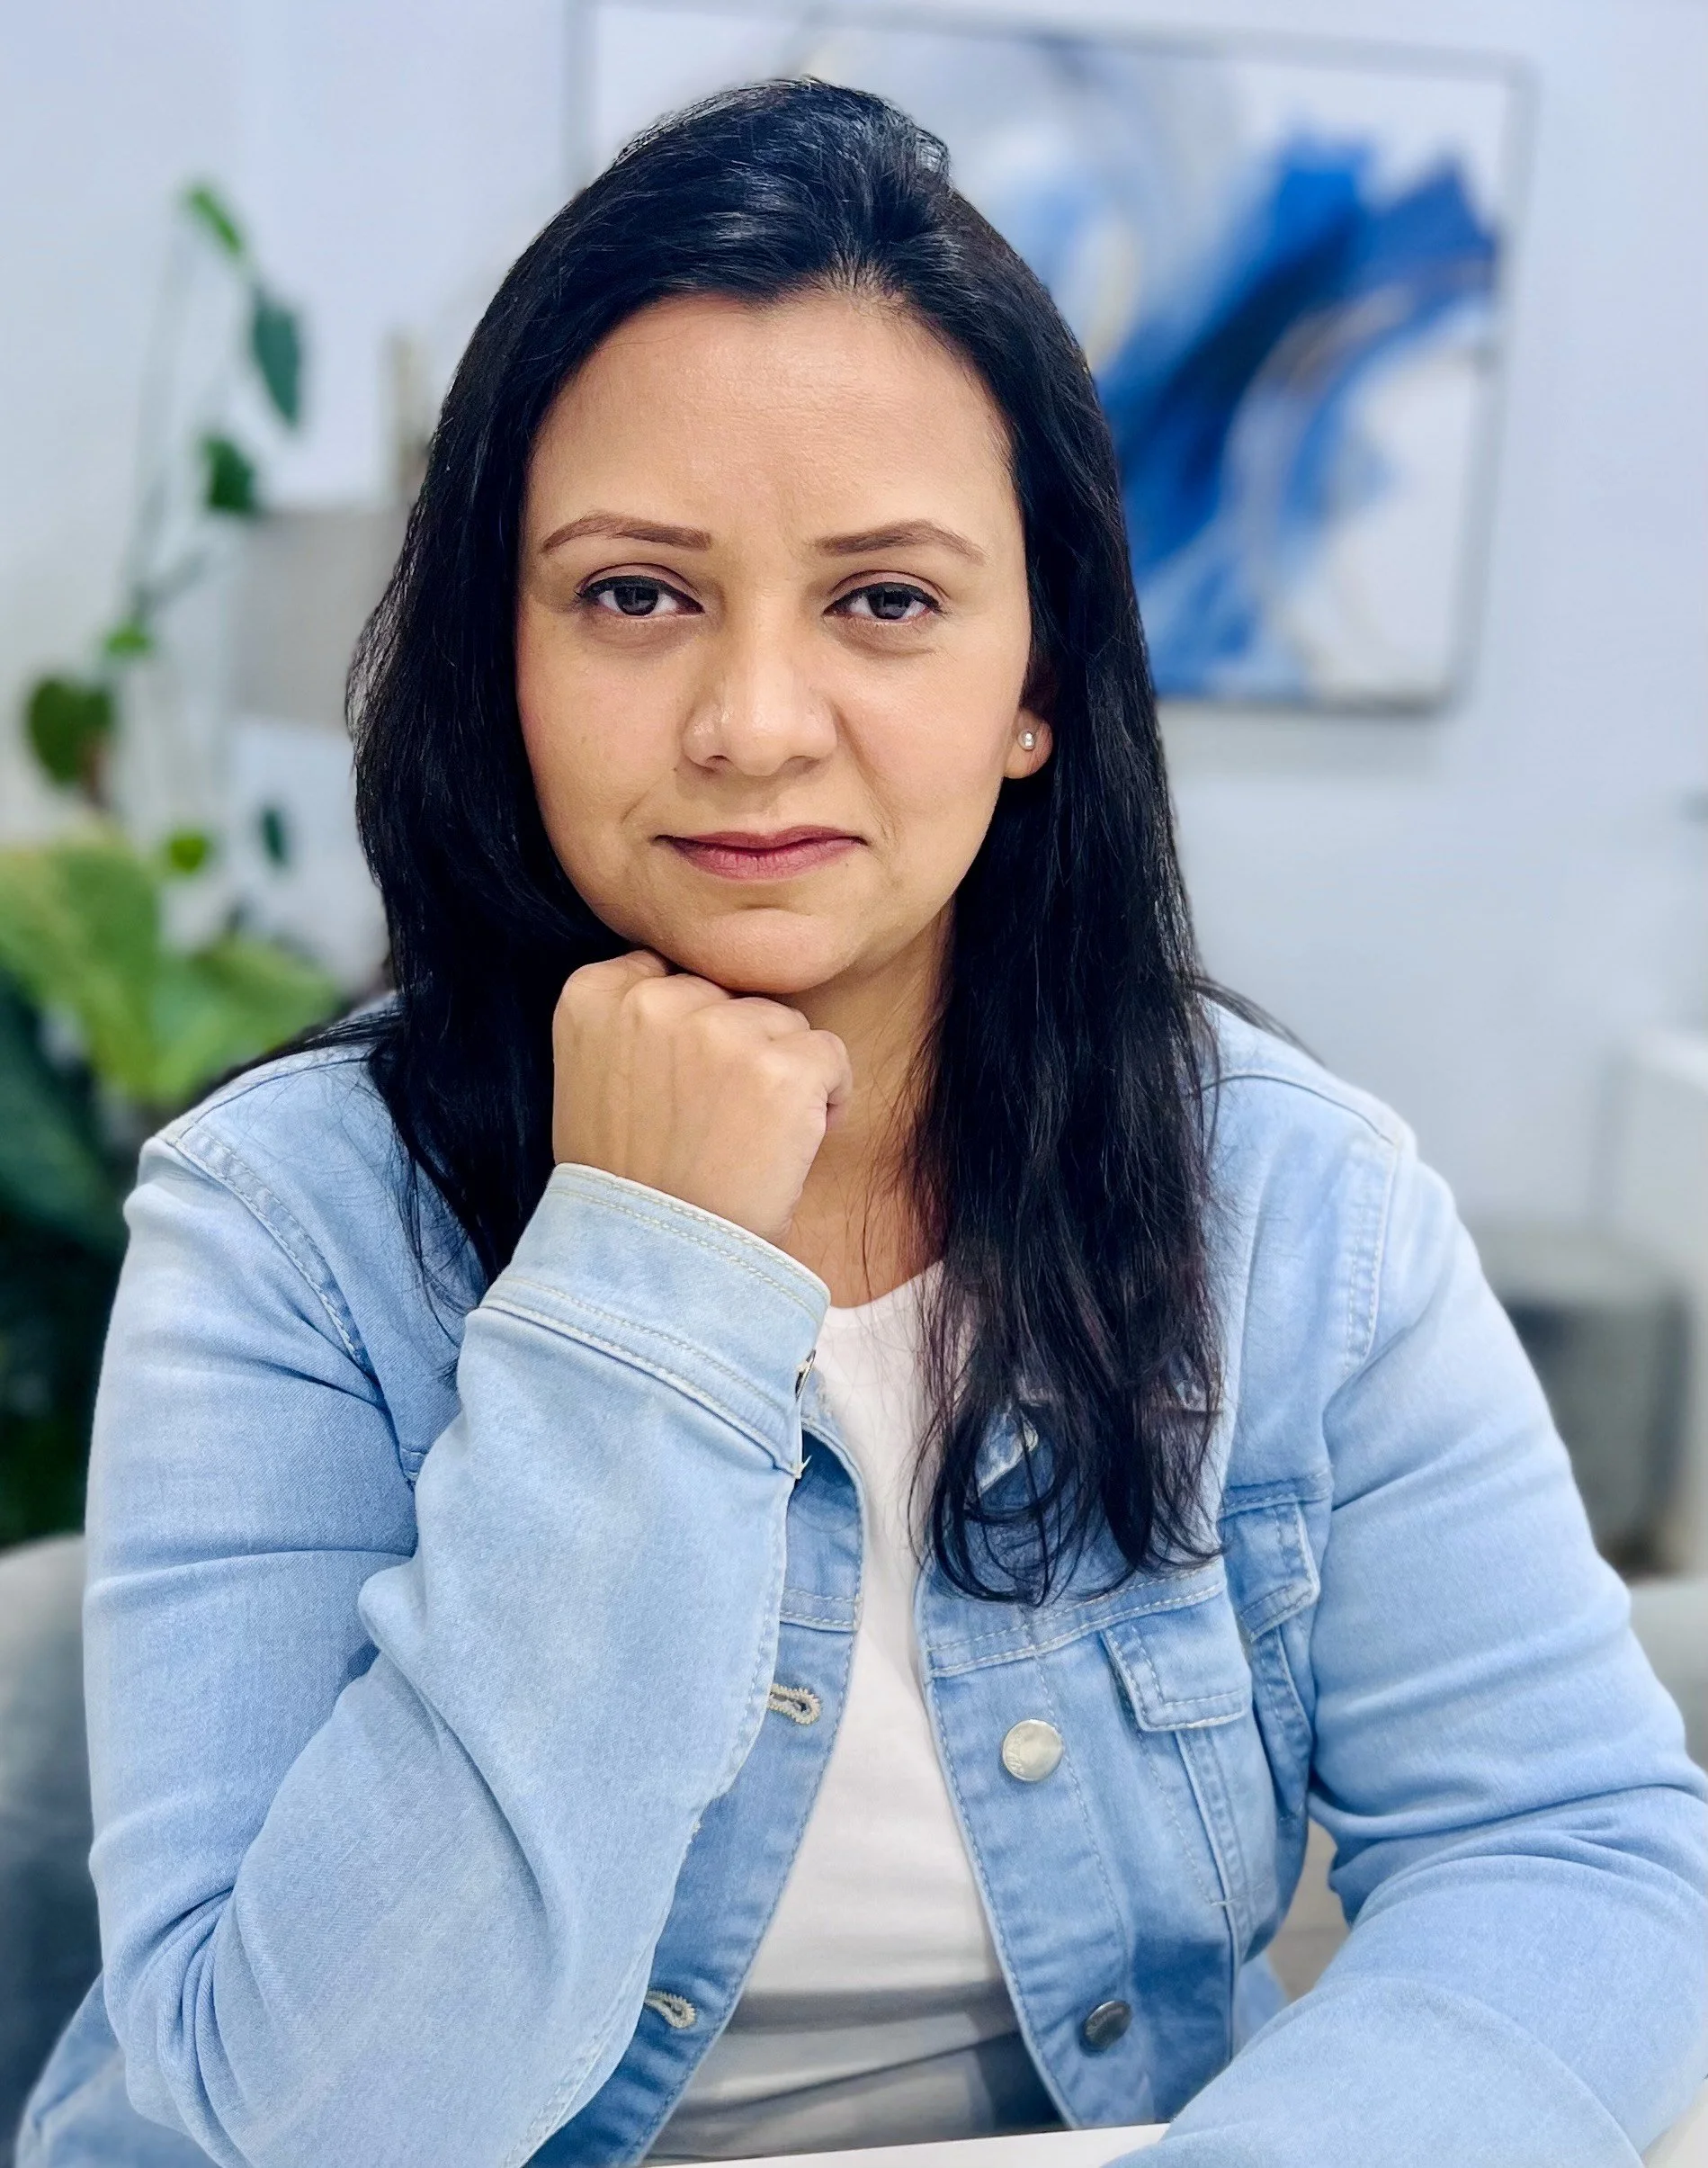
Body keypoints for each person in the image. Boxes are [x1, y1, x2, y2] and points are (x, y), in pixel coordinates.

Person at [17, 81, 1705, 2168]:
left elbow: (1569, 1846)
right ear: (499, 659)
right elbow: (328, 2123)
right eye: (635, 594)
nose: (752, 723)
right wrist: (643, 1292)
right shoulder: (284, 1233)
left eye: (884, 600)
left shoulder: (1297, 1203)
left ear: (1036, 681)